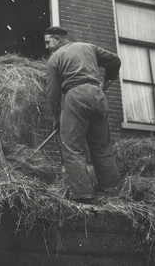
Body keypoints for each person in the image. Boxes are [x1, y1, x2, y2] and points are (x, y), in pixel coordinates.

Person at [44, 26, 121, 204]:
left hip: (75, 96)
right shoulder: (89, 47)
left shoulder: (54, 59)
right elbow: (115, 61)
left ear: (57, 39)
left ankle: (83, 195)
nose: (47, 47)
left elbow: (53, 94)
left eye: (48, 42)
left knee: (72, 148)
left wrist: (56, 118)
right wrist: (105, 84)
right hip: (98, 96)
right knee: (102, 149)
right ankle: (113, 192)